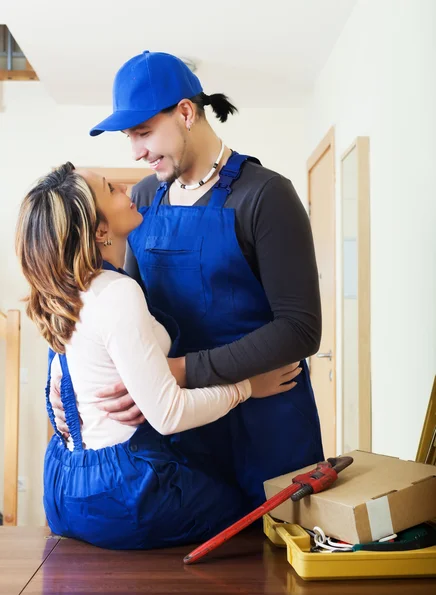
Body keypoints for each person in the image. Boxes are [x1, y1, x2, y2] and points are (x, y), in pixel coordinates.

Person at [16, 162, 299, 550]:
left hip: (65, 487)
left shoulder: (63, 293)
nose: (129, 192)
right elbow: (168, 415)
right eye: (112, 189)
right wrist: (248, 387)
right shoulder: (116, 292)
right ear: (100, 230)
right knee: (249, 514)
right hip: (124, 493)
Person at [85, 50, 325, 507]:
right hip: (181, 424)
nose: (136, 151)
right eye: (129, 138)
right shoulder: (143, 197)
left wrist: (179, 371)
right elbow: (133, 307)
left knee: (272, 563)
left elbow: (300, 328)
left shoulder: (265, 195)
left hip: (266, 421)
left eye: (143, 133)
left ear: (186, 112)